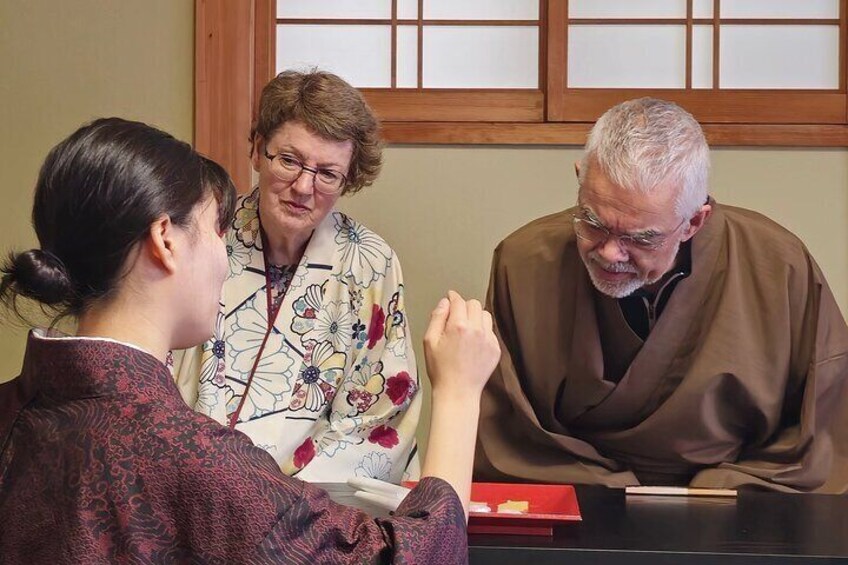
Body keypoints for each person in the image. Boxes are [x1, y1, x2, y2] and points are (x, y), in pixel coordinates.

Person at [0, 117, 500, 563]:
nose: (226, 251)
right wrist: (458, 394)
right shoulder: (200, 464)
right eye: (216, 229)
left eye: (327, 173)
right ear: (165, 241)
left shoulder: (15, 410)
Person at [475, 97, 848, 492]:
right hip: (576, 491)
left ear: (694, 221)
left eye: (641, 238)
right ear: (580, 177)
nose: (609, 252)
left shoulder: (778, 265)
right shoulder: (523, 262)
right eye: (592, 222)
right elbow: (506, 429)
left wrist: (719, 490)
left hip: (735, 498)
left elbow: (823, 425)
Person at [172, 69, 421, 482]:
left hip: (312, 515)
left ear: (348, 179)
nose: (304, 187)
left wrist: (282, 504)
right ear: (257, 150)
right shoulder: (202, 237)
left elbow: (379, 415)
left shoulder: (370, 264)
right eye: (289, 160)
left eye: (327, 174)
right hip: (196, 492)